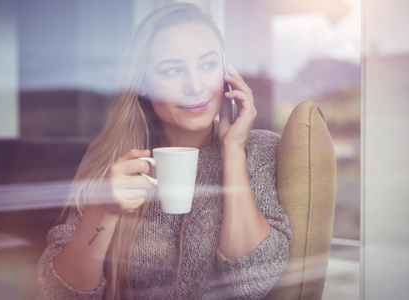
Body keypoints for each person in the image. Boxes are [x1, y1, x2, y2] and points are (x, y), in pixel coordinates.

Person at [37, 3, 291, 299]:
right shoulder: (110, 158)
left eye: (208, 65)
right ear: (143, 83)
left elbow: (254, 284)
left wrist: (233, 150)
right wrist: (104, 209)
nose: (195, 86)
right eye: (172, 70)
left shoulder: (260, 151)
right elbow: (58, 294)